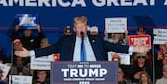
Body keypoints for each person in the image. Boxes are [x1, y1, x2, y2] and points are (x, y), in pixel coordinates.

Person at [15, 16, 149, 61]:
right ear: (74, 29)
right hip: (72, 77)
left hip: (97, 76)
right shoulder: (66, 41)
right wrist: (29, 53)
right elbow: (50, 49)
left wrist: (135, 48)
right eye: (78, 27)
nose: (81, 29)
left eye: (83, 27)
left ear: (87, 28)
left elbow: (114, 47)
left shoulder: (96, 40)